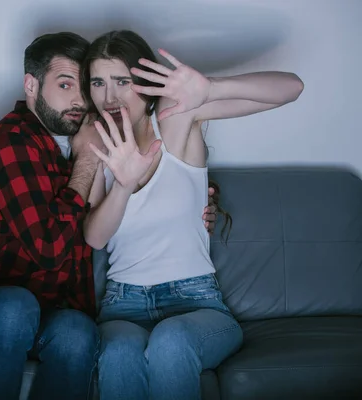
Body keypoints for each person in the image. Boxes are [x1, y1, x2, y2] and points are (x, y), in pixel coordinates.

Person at [0, 31, 218, 400]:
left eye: (85, 87)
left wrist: (196, 198)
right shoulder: (11, 140)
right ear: (31, 85)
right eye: (65, 84)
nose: (79, 100)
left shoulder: (87, 144)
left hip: (47, 319)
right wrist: (85, 160)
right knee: (15, 307)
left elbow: (146, 190)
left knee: (77, 330)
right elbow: (50, 249)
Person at [81, 30, 304, 400]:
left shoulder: (175, 116)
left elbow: (291, 88)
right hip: (123, 305)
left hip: (195, 300)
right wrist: (122, 184)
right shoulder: (97, 142)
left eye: (123, 81)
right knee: (118, 352)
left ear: (145, 81)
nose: (110, 97)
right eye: (98, 83)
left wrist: (211, 88)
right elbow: (95, 238)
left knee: (171, 341)